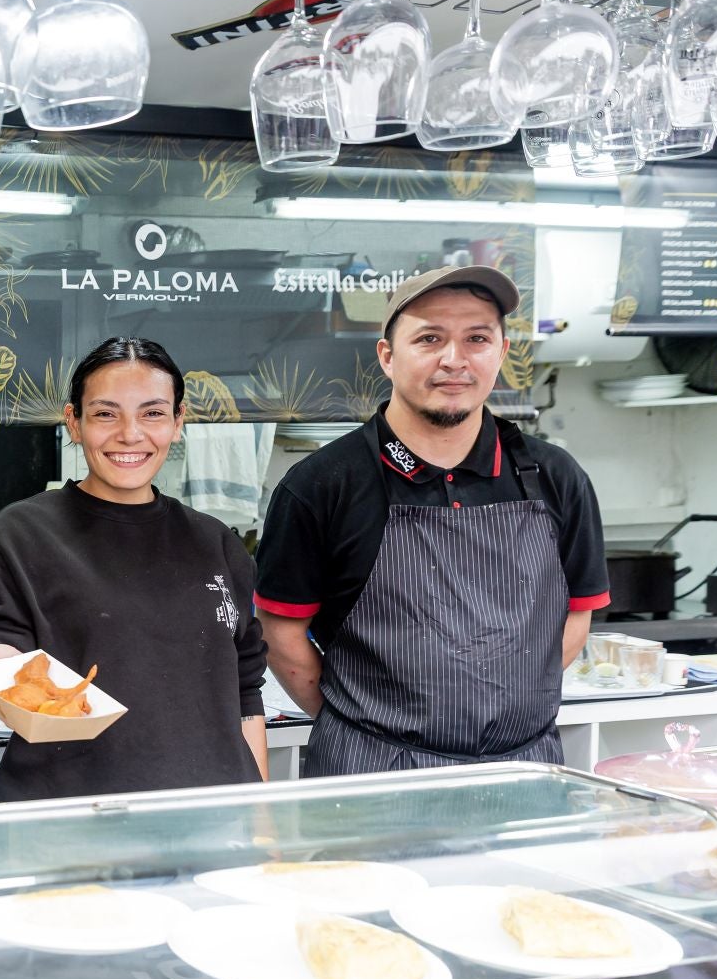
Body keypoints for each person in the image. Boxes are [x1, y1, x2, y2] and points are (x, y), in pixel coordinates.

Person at [254, 265, 609, 776]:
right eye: (429, 338)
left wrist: (507, 713)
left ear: (502, 353)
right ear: (387, 356)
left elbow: (578, 611)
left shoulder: (555, 477)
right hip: (373, 773)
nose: (454, 360)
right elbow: (282, 634)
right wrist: (362, 725)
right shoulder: (322, 485)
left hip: (522, 772)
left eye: (477, 338)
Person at [0, 336, 269, 798]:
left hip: (214, 817)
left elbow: (246, 691)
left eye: (153, 413)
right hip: (75, 819)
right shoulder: (22, 534)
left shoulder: (215, 542)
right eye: (105, 413)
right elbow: (3, 658)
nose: (130, 433)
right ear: (74, 422)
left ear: (178, 422)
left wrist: (260, 813)